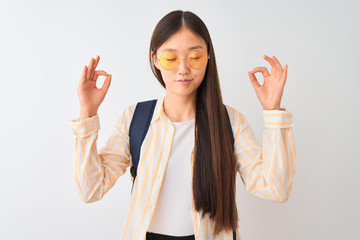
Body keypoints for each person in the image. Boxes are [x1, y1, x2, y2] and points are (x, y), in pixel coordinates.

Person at [69, 10, 296, 240]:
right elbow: (91, 189)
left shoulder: (230, 122)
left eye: (195, 57)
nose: (183, 69)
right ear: (155, 59)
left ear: (208, 55)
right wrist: (87, 113)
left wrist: (273, 112)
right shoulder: (136, 118)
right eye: (171, 58)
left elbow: (275, 189)